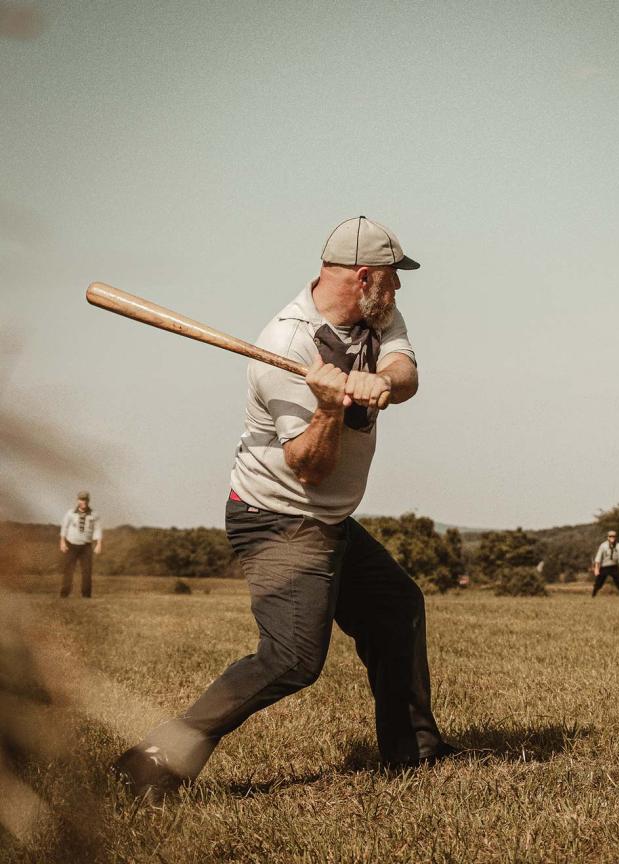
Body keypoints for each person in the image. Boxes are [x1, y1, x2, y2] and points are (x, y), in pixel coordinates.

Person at [113, 216, 456, 800]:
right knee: (294, 657)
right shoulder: (285, 346)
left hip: (327, 519)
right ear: (365, 277)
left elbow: (407, 371)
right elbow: (310, 466)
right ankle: (154, 758)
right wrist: (327, 407)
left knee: (397, 607)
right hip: (278, 519)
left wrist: (382, 383)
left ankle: (412, 753)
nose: (399, 292)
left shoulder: (377, 316)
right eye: (394, 280)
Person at [59, 491, 102, 598]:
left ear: (89, 500)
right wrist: (62, 542)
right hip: (71, 544)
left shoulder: (94, 514)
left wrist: (99, 544)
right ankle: (64, 594)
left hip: (86, 546)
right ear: (78, 500)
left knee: (87, 571)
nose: (84, 502)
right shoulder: (70, 513)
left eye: (86, 500)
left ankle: (86, 595)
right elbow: (64, 528)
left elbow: (97, 529)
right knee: (69, 570)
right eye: (82, 499)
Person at [592, 529, 619, 597]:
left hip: (614, 566)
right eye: (610, 536)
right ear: (608, 537)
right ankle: (593, 595)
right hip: (604, 566)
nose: (612, 538)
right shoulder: (603, 546)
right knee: (598, 582)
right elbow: (598, 557)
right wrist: (596, 568)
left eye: (613, 536)